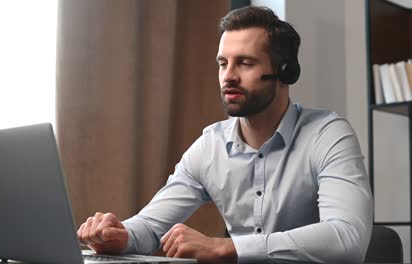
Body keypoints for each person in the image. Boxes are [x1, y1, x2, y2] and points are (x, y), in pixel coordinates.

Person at [77, 5, 373, 264]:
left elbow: (347, 238)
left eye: (244, 63)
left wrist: (228, 248)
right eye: (223, 63)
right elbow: (151, 225)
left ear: (285, 73)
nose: (228, 76)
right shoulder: (210, 146)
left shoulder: (328, 135)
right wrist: (120, 235)